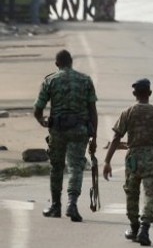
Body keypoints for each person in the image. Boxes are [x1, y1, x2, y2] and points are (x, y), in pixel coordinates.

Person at [103, 78, 153, 246]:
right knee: (151, 194)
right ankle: (144, 229)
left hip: (134, 157)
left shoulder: (128, 112)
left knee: (131, 193)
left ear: (134, 93)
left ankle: (134, 227)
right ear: (149, 93)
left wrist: (107, 161)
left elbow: (116, 137)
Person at [33, 49, 98, 222]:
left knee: (57, 167)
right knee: (76, 167)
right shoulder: (85, 80)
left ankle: (56, 206)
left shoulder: (50, 80)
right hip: (79, 130)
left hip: (58, 130)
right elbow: (93, 111)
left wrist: (42, 121)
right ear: (71, 62)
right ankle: (72, 203)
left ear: (57, 64)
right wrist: (94, 137)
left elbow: (38, 108)